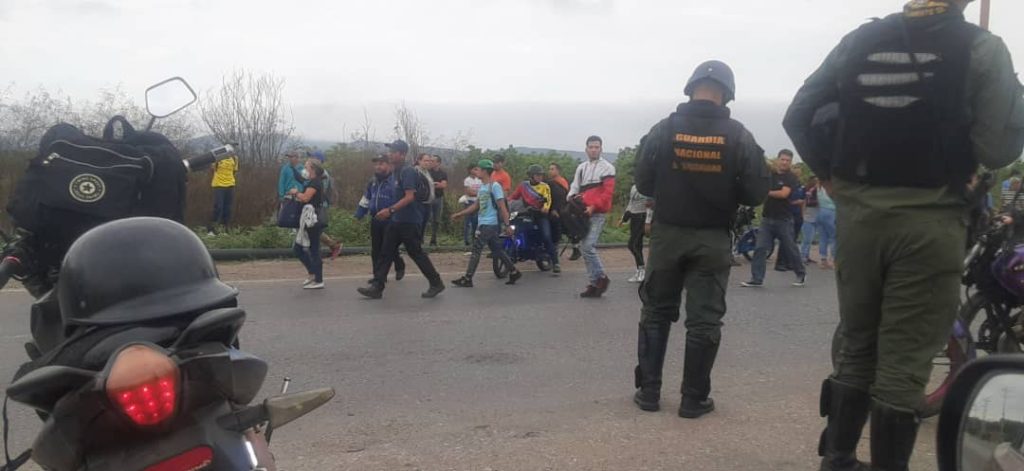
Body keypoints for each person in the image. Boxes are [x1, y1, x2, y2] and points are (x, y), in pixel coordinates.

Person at [783, 0, 1024, 468]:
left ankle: (837, 459)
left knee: (856, 346)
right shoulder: (981, 47)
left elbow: (799, 115)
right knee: (903, 364)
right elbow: (997, 149)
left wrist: (832, 177)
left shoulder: (858, 40)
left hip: (859, 222)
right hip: (929, 224)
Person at [633, 60, 770, 418]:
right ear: (726, 94)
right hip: (712, 239)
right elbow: (757, 192)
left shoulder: (663, 130)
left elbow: (645, 182)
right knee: (705, 320)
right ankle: (693, 399)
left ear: (690, 88)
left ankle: (648, 393)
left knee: (656, 311)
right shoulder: (739, 135)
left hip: (667, 235)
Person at [358, 140, 445, 300]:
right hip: (397, 220)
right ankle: (377, 286)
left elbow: (410, 197)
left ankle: (436, 282)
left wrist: (390, 210)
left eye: (393, 152)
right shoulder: (396, 171)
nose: (390, 154)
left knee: (416, 253)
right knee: (385, 252)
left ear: (402, 154)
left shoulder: (407, 172)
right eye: (390, 151)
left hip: (409, 221)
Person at [740, 149, 807, 288]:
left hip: (784, 219)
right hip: (767, 218)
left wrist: (765, 191)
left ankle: (800, 273)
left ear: (790, 162)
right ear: (778, 159)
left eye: (787, 160)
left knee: (790, 249)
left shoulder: (791, 177)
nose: (784, 162)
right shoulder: (770, 174)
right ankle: (756, 278)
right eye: (782, 159)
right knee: (760, 248)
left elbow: (783, 194)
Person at [451, 159, 522, 287]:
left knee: (476, 249)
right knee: (497, 250)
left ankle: (468, 278)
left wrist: (507, 225)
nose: (476, 171)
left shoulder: (494, 186)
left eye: (478, 169)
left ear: (484, 171)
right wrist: (461, 214)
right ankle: (514, 271)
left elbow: (502, 207)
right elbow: (477, 205)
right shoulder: (482, 187)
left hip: (490, 223)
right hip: (483, 222)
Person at [568, 135, 616, 298]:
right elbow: (575, 186)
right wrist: (571, 199)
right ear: (586, 149)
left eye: (597, 147)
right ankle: (594, 284)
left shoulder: (608, 168)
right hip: (582, 213)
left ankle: (601, 278)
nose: (594, 149)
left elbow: (607, 193)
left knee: (588, 246)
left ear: (601, 149)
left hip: (598, 213)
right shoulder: (582, 167)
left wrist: (593, 206)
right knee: (584, 247)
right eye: (591, 147)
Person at [356, 154, 406, 282]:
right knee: (376, 249)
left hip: (392, 219)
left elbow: (403, 200)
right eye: (376, 164)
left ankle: (399, 264)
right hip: (376, 219)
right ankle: (378, 276)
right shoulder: (373, 181)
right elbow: (366, 198)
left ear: (389, 165)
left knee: (388, 247)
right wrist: (360, 213)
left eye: (381, 164)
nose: (378, 166)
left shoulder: (395, 181)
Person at [509, 164, 561, 273]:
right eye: (537, 175)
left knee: (546, 236)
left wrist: (545, 208)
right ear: (531, 176)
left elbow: (548, 199)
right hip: (526, 214)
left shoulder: (544, 186)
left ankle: (555, 262)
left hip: (540, 216)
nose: (540, 177)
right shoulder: (523, 185)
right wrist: (505, 203)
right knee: (515, 231)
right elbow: (514, 197)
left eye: (541, 175)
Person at [287, 159, 327, 289]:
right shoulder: (310, 181)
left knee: (314, 249)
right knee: (298, 249)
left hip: (312, 220)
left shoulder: (316, 183)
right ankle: (312, 273)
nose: (304, 169)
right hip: (306, 219)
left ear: (313, 169)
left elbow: (305, 198)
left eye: (306, 167)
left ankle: (319, 279)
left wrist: (296, 193)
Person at [308, 149, 343, 260]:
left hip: (320, 205)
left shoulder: (323, 175)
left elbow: (318, 192)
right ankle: (332, 246)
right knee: (313, 229)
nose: (309, 160)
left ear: (319, 160)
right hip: (317, 204)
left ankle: (333, 245)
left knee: (314, 229)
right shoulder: (317, 173)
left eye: (312, 158)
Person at [775, 166, 806, 272]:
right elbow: (786, 198)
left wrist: (802, 214)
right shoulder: (788, 184)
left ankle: (789, 262)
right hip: (788, 213)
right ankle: (780, 262)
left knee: (793, 240)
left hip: (798, 214)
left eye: (799, 171)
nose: (798, 173)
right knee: (786, 239)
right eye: (795, 171)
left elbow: (803, 199)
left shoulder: (800, 185)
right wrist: (795, 202)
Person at [620, 184, 653, 283]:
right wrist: (624, 218)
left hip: (642, 217)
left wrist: (648, 222)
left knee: (633, 244)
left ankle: (642, 270)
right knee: (636, 245)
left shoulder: (648, 186)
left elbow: (650, 206)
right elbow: (631, 203)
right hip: (634, 217)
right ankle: (639, 269)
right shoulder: (634, 187)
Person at [207, 151, 239, 235]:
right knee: (218, 207)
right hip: (218, 184)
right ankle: (211, 230)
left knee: (227, 208)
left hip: (230, 184)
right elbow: (212, 168)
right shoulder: (218, 157)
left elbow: (234, 170)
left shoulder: (235, 158)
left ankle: (224, 229)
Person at [546, 162, 570, 253]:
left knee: (557, 228)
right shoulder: (549, 182)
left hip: (559, 209)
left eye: (552, 169)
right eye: (549, 169)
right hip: (551, 208)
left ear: (558, 170)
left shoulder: (561, 182)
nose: (550, 171)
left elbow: (562, 196)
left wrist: (555, 209)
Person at [427, 154, 448, 246]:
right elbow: (426, 184)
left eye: (433, 161)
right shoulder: (427, 172)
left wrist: (432, 184)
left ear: (438, 163)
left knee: (436, 219)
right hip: (428, 198)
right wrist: (435, 184)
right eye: (430, 161)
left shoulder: (443, 173)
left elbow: (443, 185)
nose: (431, 162)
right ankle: (421, 239)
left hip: (439, 198)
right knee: (427, 218)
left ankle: (433, 239)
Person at [461, 163, 483, 246]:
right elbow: (469, 192)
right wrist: (478, 193)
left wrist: (476, 193)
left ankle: (474, 239)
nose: (477, 171)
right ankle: (466, 240)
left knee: (476, 222)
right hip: (469, 202)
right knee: (468, 222)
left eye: (477, 169)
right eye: (475, 169)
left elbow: (480, 192)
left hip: (478, 202)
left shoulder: (479, 180)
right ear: (470, 170)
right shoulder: (467, 180)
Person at [800, 176, 821, 264]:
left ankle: (807, 255)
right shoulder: (808, 191)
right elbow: (806, 202)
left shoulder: (820, 191)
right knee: (807, 238)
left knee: (811, 238)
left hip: (817, 216)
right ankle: (802, 256)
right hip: (808, 216)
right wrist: (803, 215)